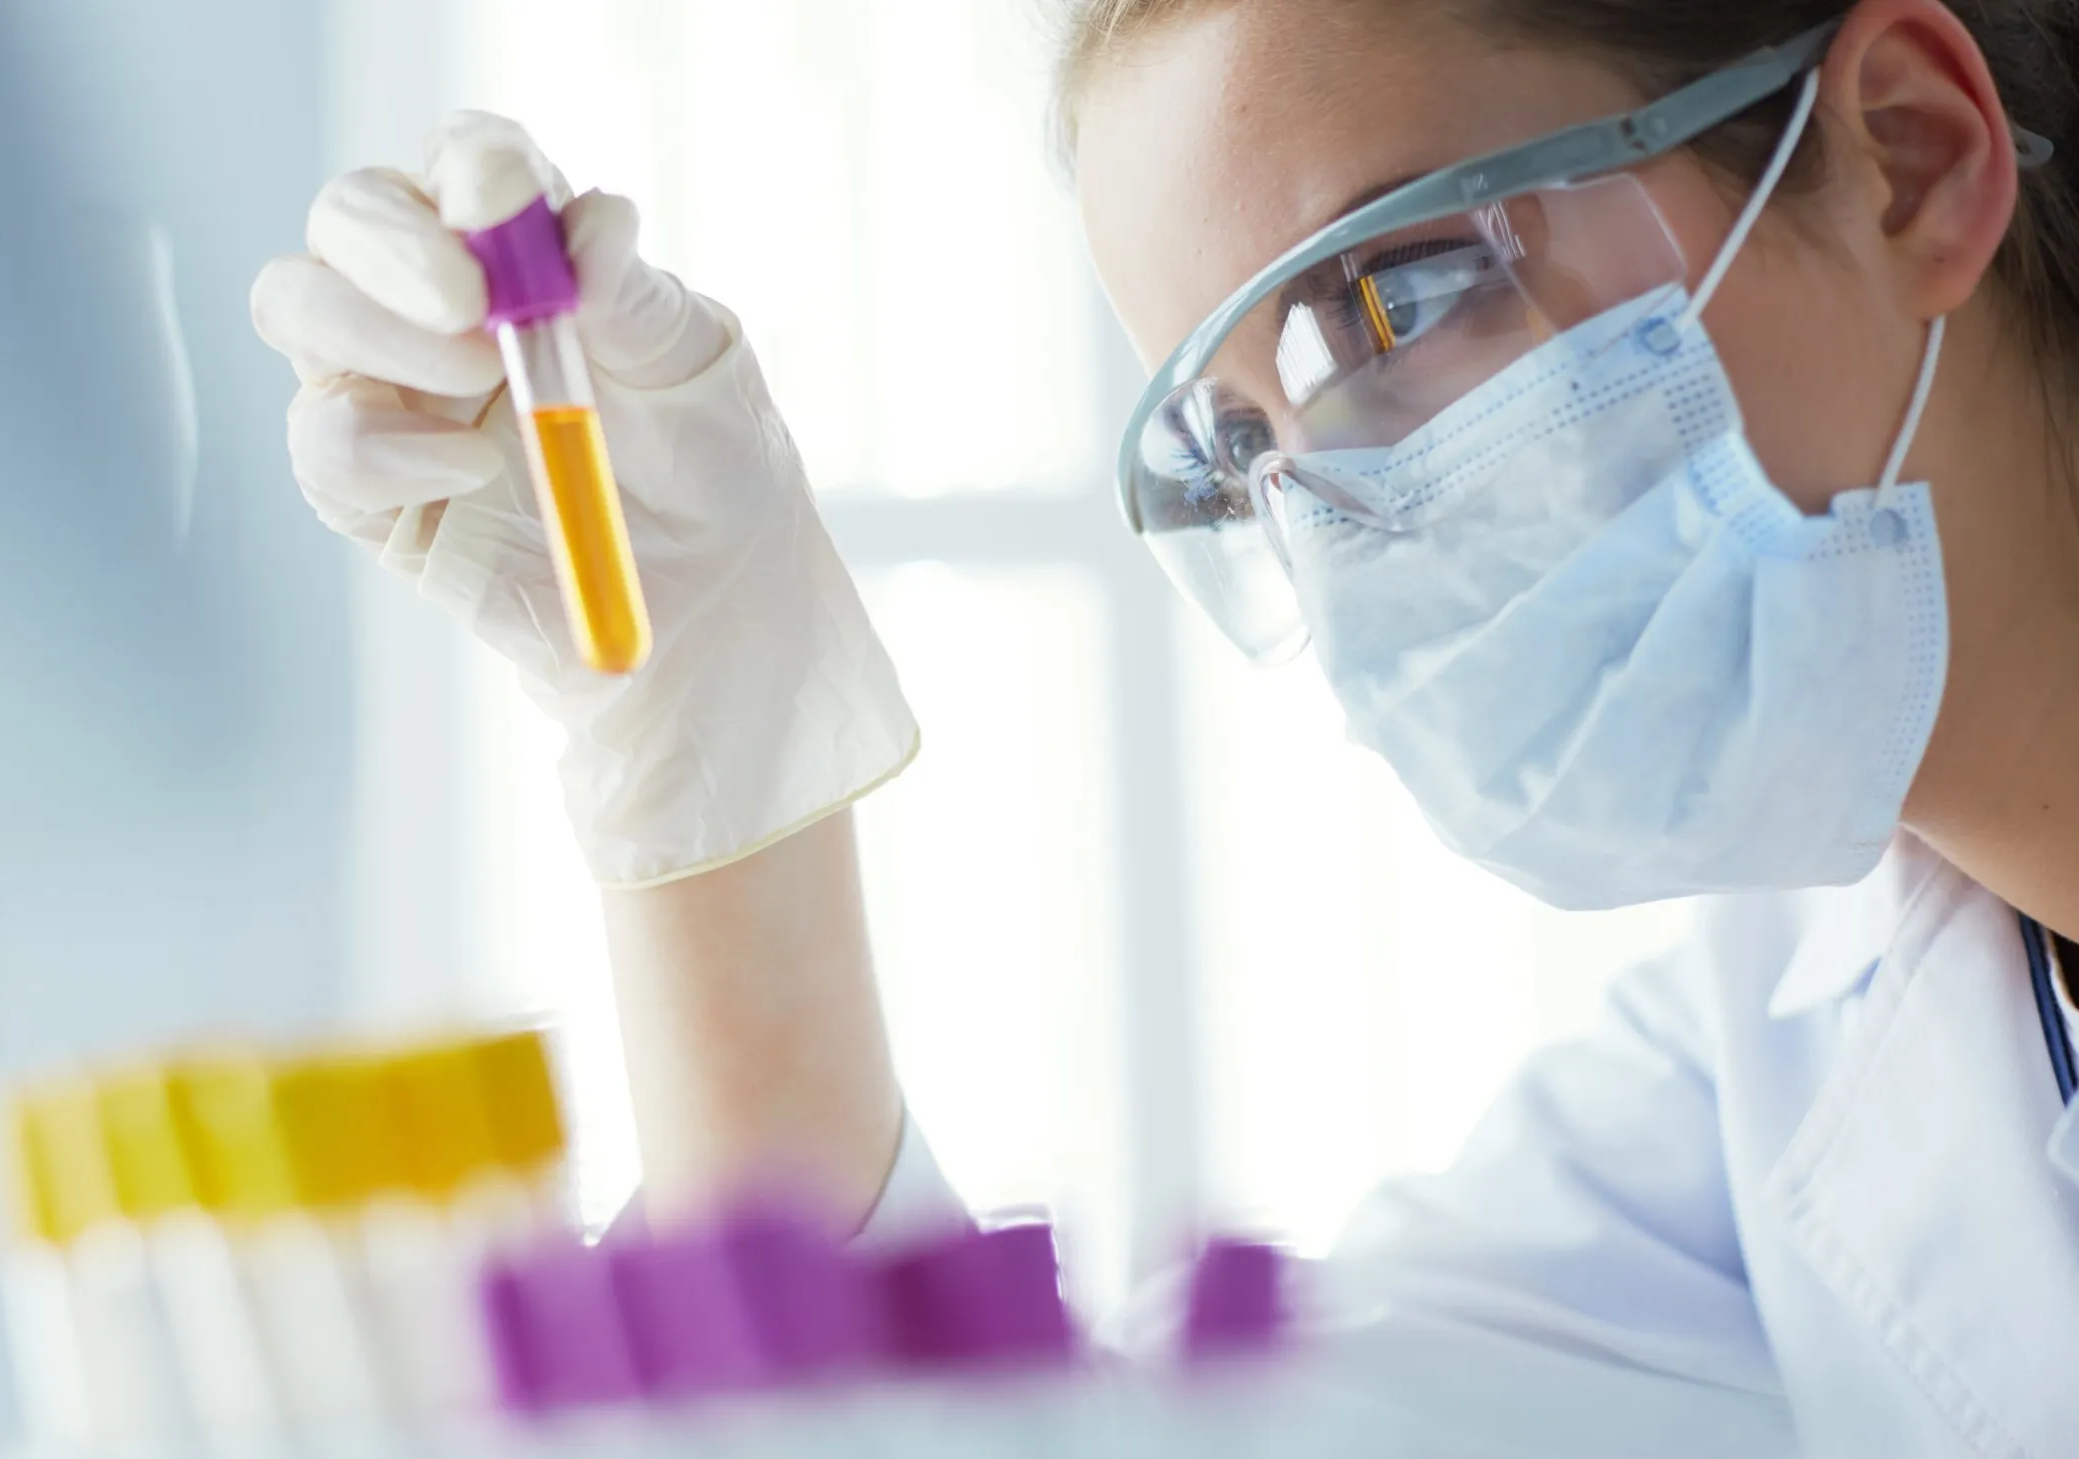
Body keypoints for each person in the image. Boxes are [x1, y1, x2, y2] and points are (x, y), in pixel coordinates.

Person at [252, 1, 2079, 1452]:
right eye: (1245, 446)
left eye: (1393, 296)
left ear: (1906, 156)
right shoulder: (1787, 1082)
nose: (1347, 518)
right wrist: (721, 773)